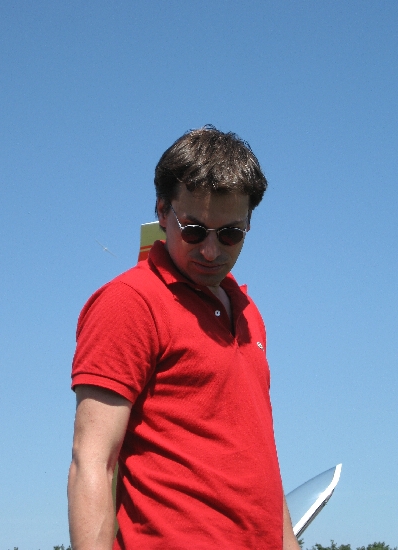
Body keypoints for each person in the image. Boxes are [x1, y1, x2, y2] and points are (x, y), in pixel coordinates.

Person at [68, 125, 300, 549]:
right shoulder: (130, 302)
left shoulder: (250, 314)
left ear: (249, 223)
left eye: (230, 234)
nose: (211, 251)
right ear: (162, 211)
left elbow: (262, 465)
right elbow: (92, 462)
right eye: (193, 230)